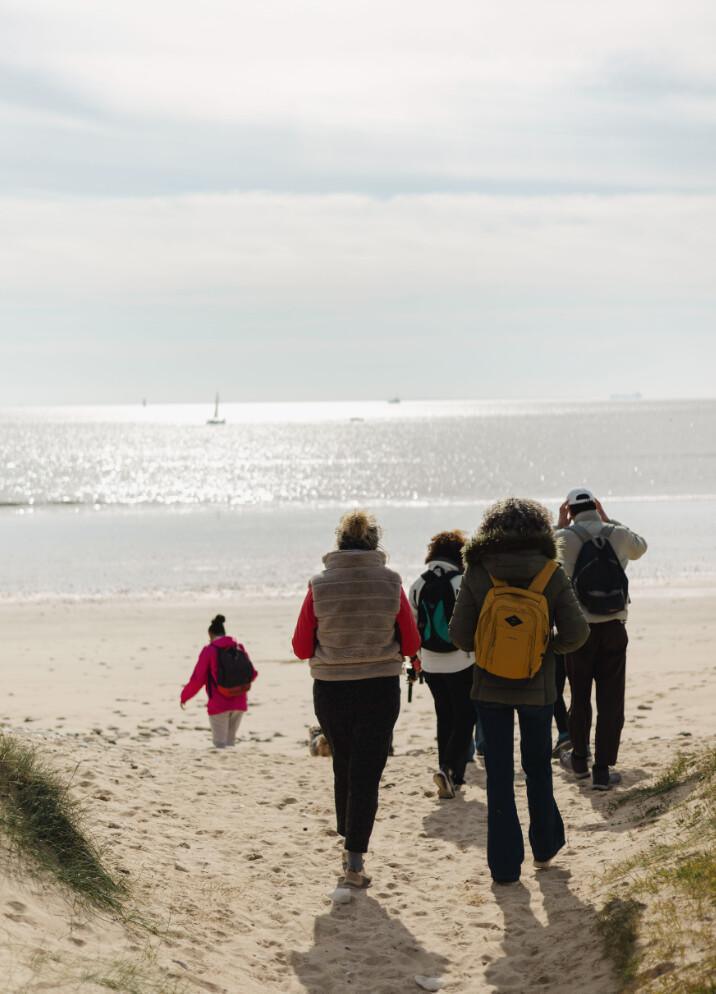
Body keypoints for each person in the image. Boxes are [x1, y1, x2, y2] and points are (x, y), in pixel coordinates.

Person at [449, 498, 589, 884]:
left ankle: (505, 868)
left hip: (489, 689)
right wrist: (545, 649)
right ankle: (544, 851)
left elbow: (459, 635)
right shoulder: (550, 572)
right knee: (538, 769)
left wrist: (492, 648)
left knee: (498, 776)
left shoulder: (478, 571)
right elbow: (578, 633)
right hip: (537, 689)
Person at [291, 510, 420, 888]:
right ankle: (354, 859)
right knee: (368, 771)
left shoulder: (319, 584)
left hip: (331, 688)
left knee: (344, 763)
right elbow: (411, 642)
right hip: (379, 686)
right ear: (375, 542)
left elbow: (301, 647)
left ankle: (348, 838)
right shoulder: (391, 581)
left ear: (339, 543)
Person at [556, 488, 648, 790]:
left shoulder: (565, 539)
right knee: (611, 701)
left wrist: (559, 524)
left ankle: (579, 759)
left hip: (579, 631)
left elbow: (544, 557)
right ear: (595, 506)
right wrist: (610, 519)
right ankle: (602, 769)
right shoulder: (617, 534)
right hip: (613, 628)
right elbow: (641, 547)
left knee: (579, 697)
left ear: (569, 509)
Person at [408, 530, 475, 799]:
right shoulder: (462, 581)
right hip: (461, 660)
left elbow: (413, 627)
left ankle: (451, 775)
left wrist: (415, 660)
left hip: (430, 662)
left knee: (444, 715)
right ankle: (449, 769)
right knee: (466, 716)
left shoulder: (418, 584)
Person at [180, 614, 257, 748]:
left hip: (219, 704)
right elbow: (252, 674)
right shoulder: (239, 647)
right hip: (239, 702)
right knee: (230, 743)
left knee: (220, 745)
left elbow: (198, 679)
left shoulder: (209, 650)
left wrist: (184, 696)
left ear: (210, 634)